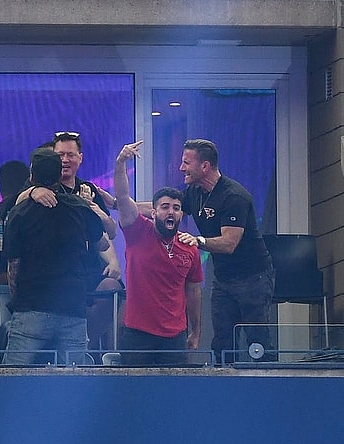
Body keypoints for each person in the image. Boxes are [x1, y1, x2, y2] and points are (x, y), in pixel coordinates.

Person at [18, 132, 124, 350]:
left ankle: (87, 344)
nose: (65, 160)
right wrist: (34, 192)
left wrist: (113, 261)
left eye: (70, 155)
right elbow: (15, 207)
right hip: (52, 277)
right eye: (60, 155)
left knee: (113, 287)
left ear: (80, 158)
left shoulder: (90, 190)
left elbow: (109, 233)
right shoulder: (40, 187)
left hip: (87, 270)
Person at [2, 148, 106, 366]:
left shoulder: (19, 212)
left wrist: (18, 301)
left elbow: (13, 264)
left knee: (11, 380)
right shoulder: (79, 207)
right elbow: (102, 241)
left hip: (32, 305)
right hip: (73, 306)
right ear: (61, 175)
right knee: (74, 381)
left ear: (31, 176)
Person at [175, 139, 275, 363]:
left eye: (186, 162)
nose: (181, 168)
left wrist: (197, 240)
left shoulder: (234, 196)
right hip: (223, 279)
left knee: (257, 342)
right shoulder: (195, 192)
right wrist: (118, 203)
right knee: (222, 342)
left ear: (205, 166)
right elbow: (166, 205)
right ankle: (224, 391)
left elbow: (230, 243)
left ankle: (266, 388)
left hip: (253, 277)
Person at [114, 141, 203, 365]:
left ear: (182, 214)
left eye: (176, 208)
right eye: (165, 207)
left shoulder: (188, 246)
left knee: (172, 397)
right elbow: (123, 198)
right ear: (153, 212)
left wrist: (196, 330)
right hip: (137, 333)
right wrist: (121, 162)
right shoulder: (137, 231)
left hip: (174, 336)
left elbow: (193, 292)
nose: (170, 212)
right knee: (135, 395)